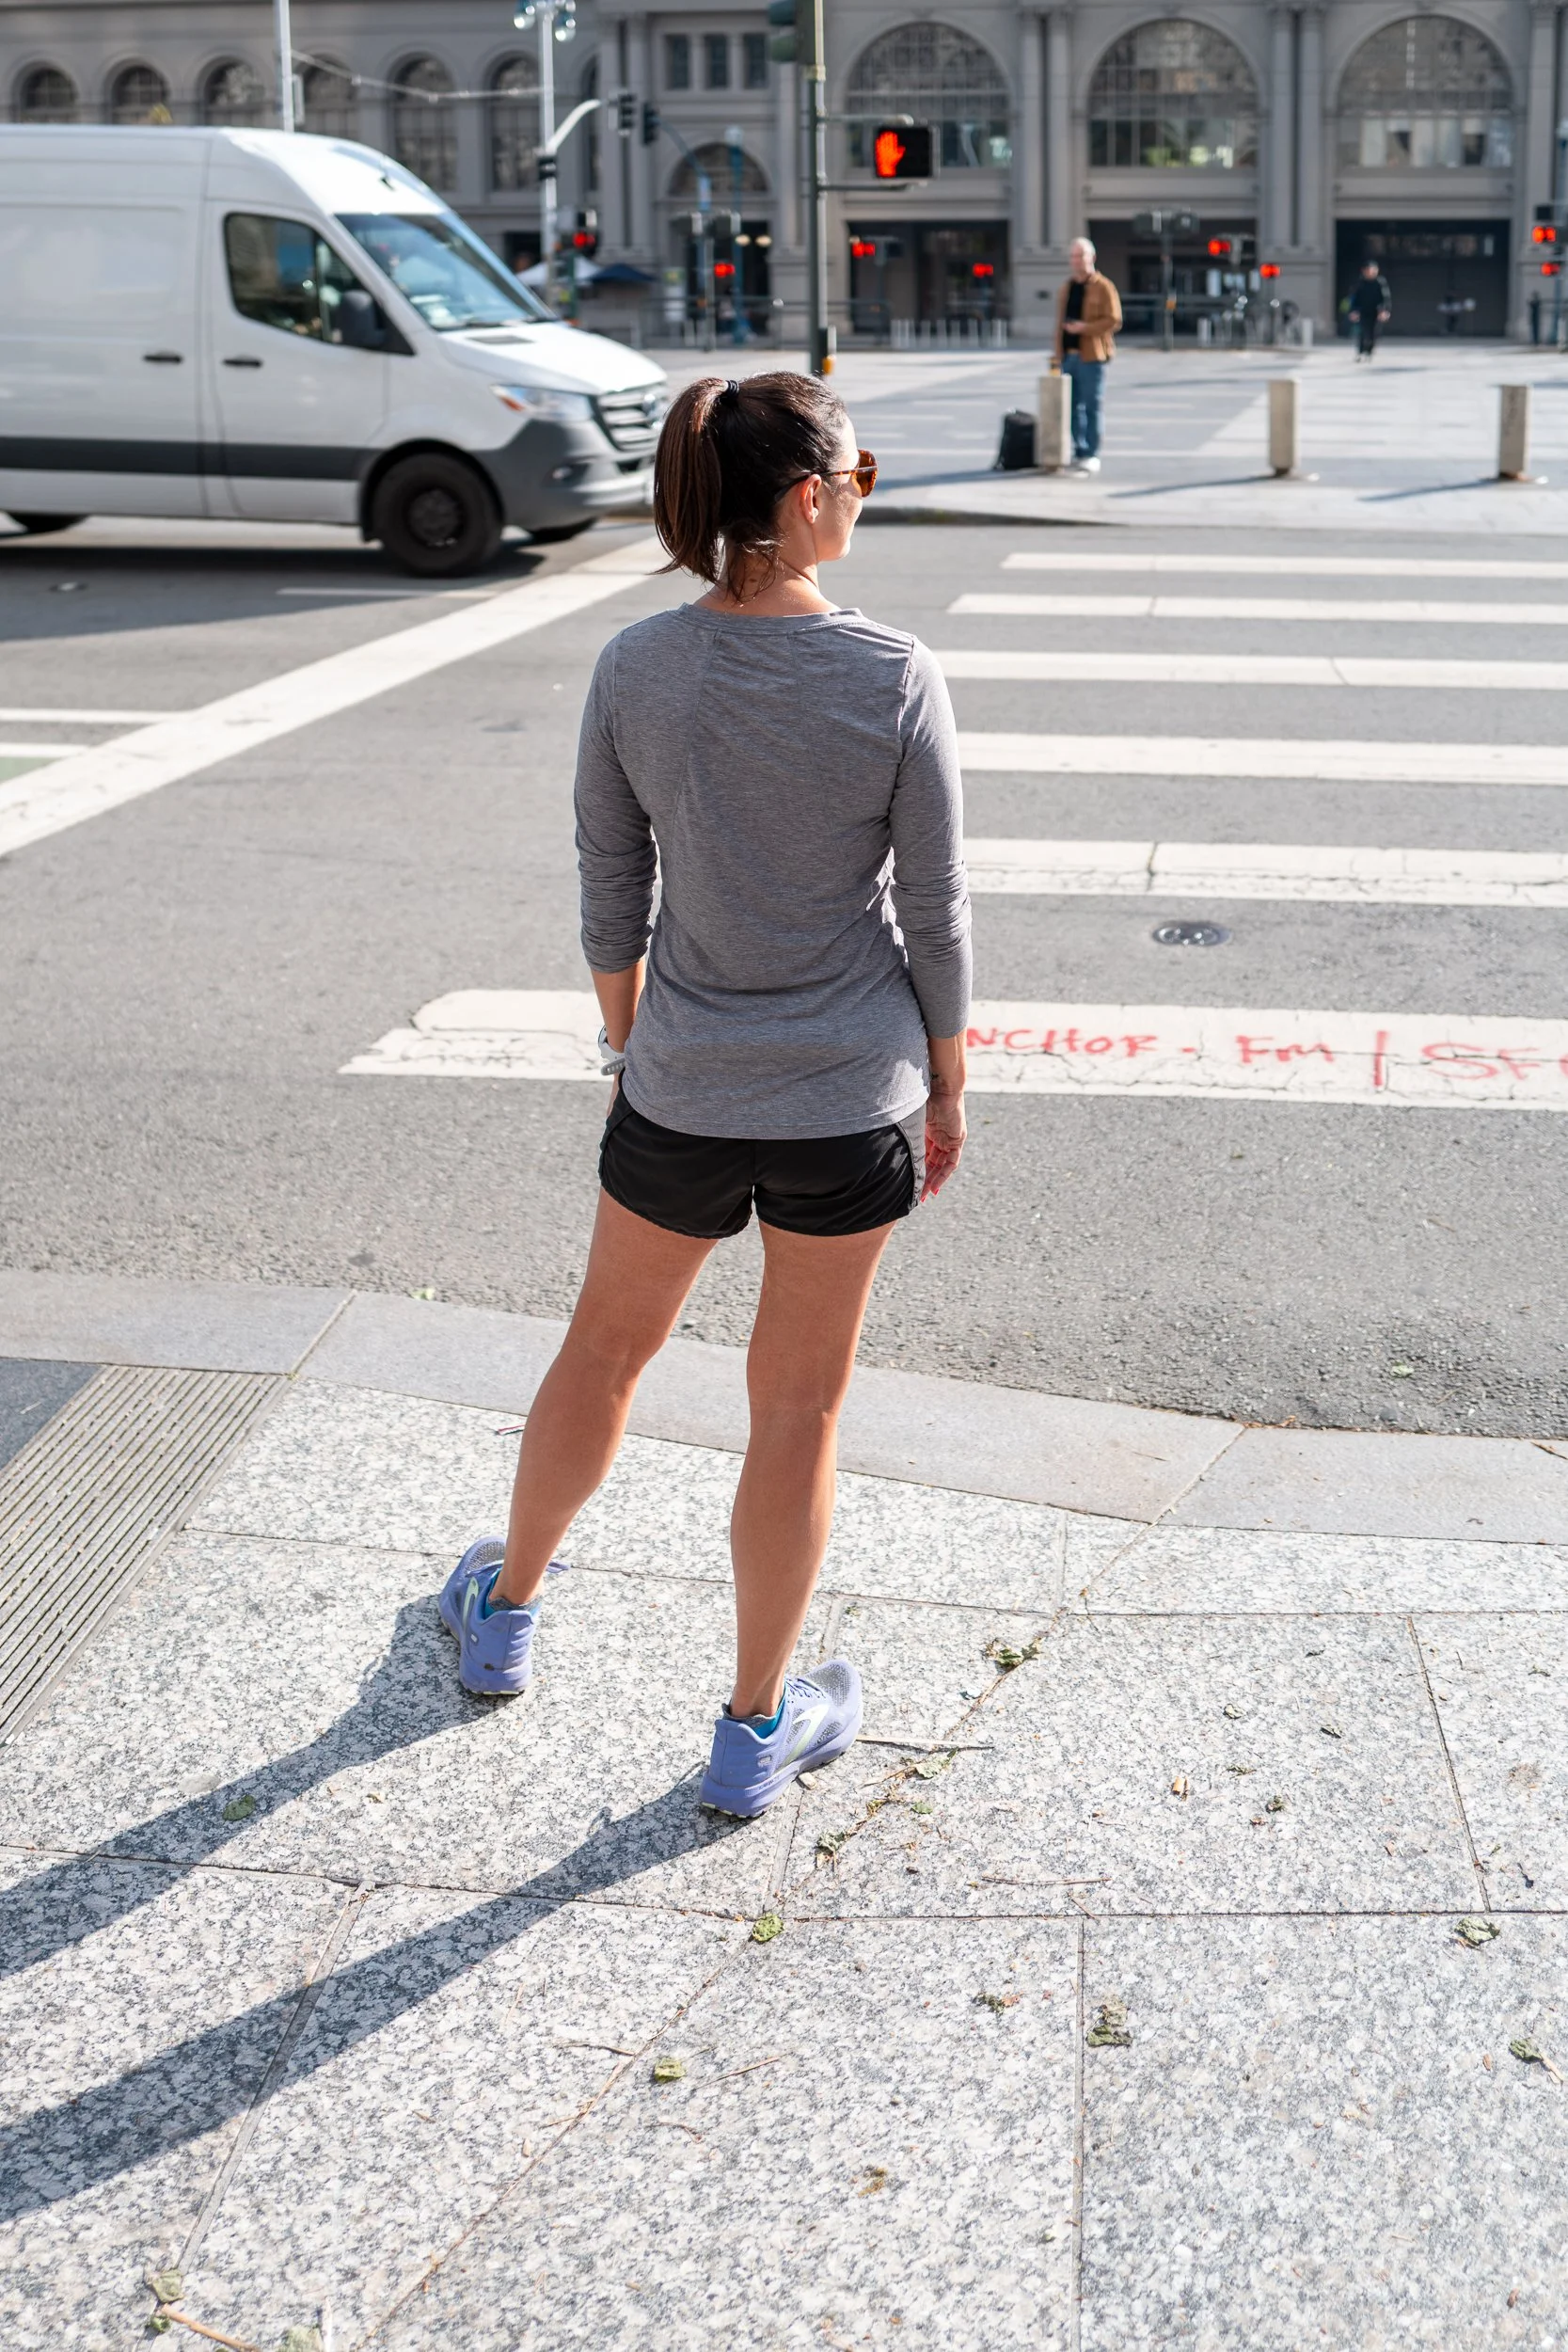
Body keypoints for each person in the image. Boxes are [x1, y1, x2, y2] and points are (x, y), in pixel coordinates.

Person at [440, 373, 972, 1820]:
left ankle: (504, 1614)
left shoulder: (635, 667)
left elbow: (613, 891)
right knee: (795, 1408)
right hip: (844, 1100)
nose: (864, 486)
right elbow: (932, 910)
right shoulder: (890, 673)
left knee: (602, 1353)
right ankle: (751, 1730)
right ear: (806, 500)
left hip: (676, 1090)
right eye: (856, 469)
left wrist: (632, 1037)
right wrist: (945, 1083)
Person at [1054, 236, 1122, 472]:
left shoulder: (1104, 286)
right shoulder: (1067, 287)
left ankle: (1092, 453)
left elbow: (1114, 320)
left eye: (1081, 255)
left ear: (1091, 257)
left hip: (1092, 356)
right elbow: (1059, 324)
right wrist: (1057, 355)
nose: (1077, 261)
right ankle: (1079, 450)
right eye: (1073, 256)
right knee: (1071, 406)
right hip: (1069, 355)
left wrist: (1085, 328)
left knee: (1092, 405)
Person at [1349, 260, 1391, 359]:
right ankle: (1360, 351)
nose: (1370, 272)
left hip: (1376, 311)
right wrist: (1353, 311)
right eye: (1368, 270)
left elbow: (1385, 298)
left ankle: (1369, 351)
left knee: (1373, 332)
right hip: (1362, 311)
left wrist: (1384, 311)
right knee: (1362, 331)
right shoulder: (1360, 283)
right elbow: (1354, 298)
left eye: (1373, 270)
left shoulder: (1380, 282)